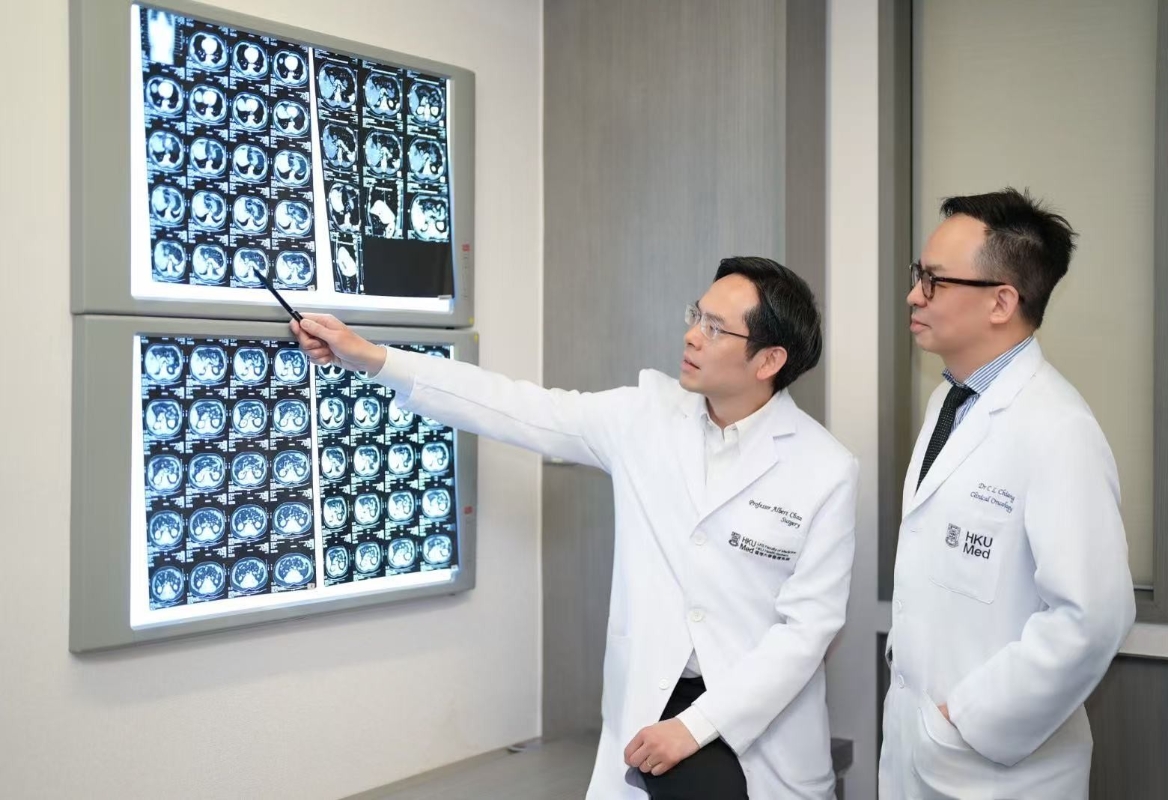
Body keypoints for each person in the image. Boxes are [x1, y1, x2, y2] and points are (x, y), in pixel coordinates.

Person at [292, 256, 858, 799]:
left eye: (714, 328)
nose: (691, 336)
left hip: (759, 723)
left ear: (768, 360)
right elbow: (515, 406)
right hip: (652, 699)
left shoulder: (825, 470)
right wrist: (373, 358)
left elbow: (806, 632)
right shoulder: (644, 418)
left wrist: (697, 725)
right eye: (696, 315)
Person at [878, 188, 1136, 798]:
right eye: (918, 275)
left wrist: (965, 721)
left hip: (993, 768)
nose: (914, 295)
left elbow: (1093, 618)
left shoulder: (1059, 428)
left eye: (934, 280)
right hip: (919, 748)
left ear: (1001, 302)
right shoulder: (950, 400)